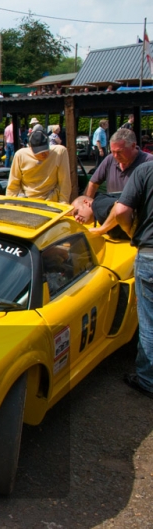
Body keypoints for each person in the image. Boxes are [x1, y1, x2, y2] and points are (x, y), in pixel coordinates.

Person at [113, 162, 153, 398]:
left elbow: (120, 211)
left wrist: (131, 234)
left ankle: (148, 379)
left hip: (150, 252)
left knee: (149, 321)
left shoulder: (146, 170)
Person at [6, 129, 71, 203]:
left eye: (45, 150)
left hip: (50, 201)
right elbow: (13, 184)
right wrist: (9, 206)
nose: (43, 154)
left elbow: (64, 182)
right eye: (38, 151)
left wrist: (63, 203)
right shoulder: (20, 155)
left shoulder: (60, 152)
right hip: (26, 201)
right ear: (30, 147)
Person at [85, 129, 153, 197]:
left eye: (119, 152)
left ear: (133, 146)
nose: (115, 156)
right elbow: (93, 184)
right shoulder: (110, 159)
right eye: (113, 151)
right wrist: (86, 203)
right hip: (113, 206)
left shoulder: (149, 162)